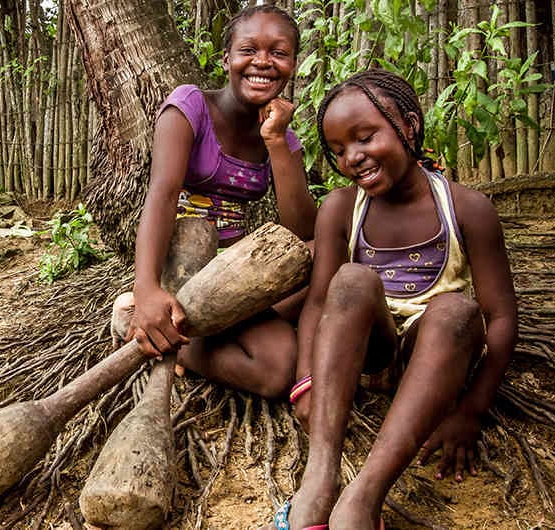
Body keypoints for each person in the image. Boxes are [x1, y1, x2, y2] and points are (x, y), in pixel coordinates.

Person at [269, 69, 518, 530]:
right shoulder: (341, 209)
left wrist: (471, 409)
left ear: (408, 125)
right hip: (368, 354)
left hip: (435, 360)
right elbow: (320, 304)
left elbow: (501, 317)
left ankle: (362, 500)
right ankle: (318, 480)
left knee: (456, 310)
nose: (354, 158)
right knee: (351, 280)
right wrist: (306, 379)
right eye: (339, 150)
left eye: (365, 138)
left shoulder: (467, 208)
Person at [112, 4, 317, 399]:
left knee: (323, 253)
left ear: (293, 63)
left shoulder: (282, 135)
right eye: (248, 50)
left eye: (279, 52)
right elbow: (162, 194)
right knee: (275, 368)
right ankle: (141, 317)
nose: (263, 62)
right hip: (184, 266)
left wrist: (276, 142)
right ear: (226, 58)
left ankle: (187, 339)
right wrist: (147, 288)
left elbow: (301, 232)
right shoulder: (190, 106)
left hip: (233, 275)